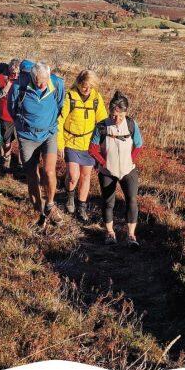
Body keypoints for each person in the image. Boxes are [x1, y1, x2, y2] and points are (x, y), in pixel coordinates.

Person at [8, 61, 65, 226]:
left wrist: (49, 124)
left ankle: (50, 205)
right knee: (32, 174)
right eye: (38, 81)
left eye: (44, 81)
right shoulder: (19, 88)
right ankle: (38, 210)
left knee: (49, 171)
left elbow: (60, 106)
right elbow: (13, 109)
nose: (41, 85)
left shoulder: (57, 84)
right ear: (31, 77)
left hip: (49, 134)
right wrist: (23, 126)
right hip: (27, 137)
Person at [88, 91, 144, 247]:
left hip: (128, 170)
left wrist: (130, 160)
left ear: (125, 113)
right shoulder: (101, 127)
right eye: (113, 116)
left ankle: (131, 235)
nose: (117, 119)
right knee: (108, 202)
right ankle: (110, 233)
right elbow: (92, 149)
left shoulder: (132, 124)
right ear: (109, 111)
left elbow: (139, 145)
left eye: (120, 116)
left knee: (132, 200)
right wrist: (103, 163)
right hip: (107, 171)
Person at [58, 70, 107, 222]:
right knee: (73, 175)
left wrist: (102, 145)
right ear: (78, 83)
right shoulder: (70, 97)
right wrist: (60, 144)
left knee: (86, 177)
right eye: (84, 86)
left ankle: (81, 207)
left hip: (89, 145)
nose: (87, 89)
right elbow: (60, 121)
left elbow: (102, 122)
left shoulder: (96, 99)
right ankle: (70, 197)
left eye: (90, 86)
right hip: (71, 142)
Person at [0, 58, 20, 169]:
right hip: (5, 115)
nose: (15, 75)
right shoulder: (1, 78)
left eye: (17, 72)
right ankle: (7, 158)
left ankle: (21, 164)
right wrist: (8, 85)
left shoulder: (22, 80)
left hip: (20, 115)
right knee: (7, 141)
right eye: (13, 72)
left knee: (21, 141)